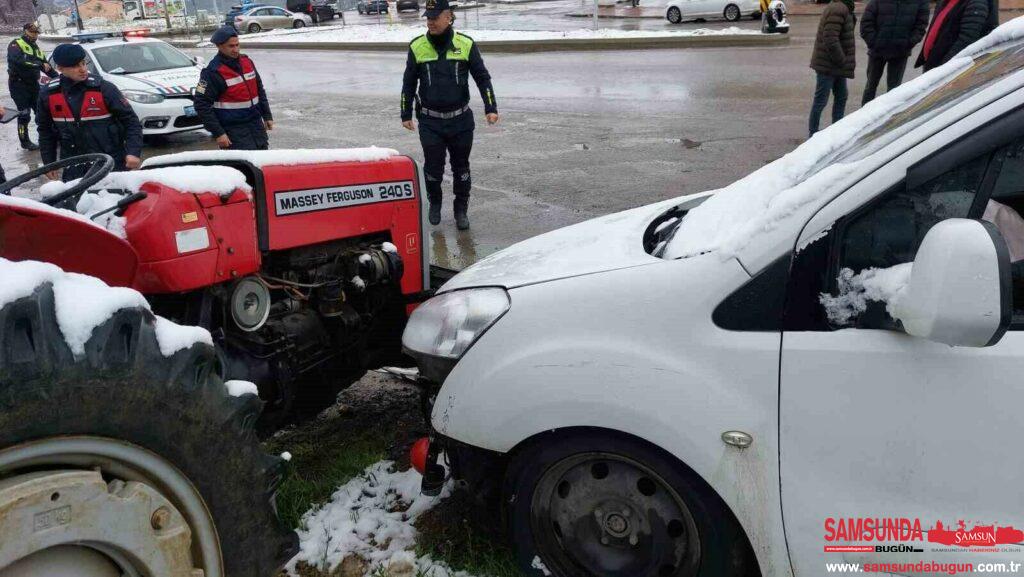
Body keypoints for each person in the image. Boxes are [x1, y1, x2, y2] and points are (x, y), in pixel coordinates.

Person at [400, 0, 499, 230]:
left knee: (461, 168)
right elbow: (408, 84)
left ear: (449, 17)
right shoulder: (417, 47)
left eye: (435, 16)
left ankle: (460, 209)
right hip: (430, 121)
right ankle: (435, 203)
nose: (431, 21)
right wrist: (405, 112)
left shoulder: (465, 44)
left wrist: (491, 107)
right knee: (433, 170)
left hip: (461, 121)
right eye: (428, 17)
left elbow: (482, 78)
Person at [36, 44, 143, 182]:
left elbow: (131, 121)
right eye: (75, 66)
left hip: (111, 163)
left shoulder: (104, 89)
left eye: (83, 63)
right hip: (74, 166)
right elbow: (45, 131)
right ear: (60, 69)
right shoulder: (48, 94)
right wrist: (49, 163)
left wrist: (133, 152)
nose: (82, 69)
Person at [193, 26, 274, 151]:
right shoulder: (212, 72)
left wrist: (267, 115)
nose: (236, 49)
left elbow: (259, 90)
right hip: (234, 132)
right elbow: (201, 104)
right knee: (243, 168)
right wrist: (219, 133)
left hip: (256, 126)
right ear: (219, 46)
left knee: (261, 165)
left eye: (237, 45)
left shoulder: (247, 62)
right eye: (231, 46)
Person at [859, 0, 930, 103]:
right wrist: (874, 42)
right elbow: (866, 22)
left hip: (900, 53)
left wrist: (909, 43)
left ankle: (889, 117)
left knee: (894, 91)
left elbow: (921, 25)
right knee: (870, 86)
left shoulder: (920, 2)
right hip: (877, 51)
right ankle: (864, 116)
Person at [808, 0, 856, 137]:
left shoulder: (843, 7)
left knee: (841, 96)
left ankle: (836, 131)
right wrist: (842, 60)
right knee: (821, 101)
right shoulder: (838, 9)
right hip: (829, 65)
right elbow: (830, 38)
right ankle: (812, 134)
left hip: (835, 65)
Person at [7, 22, 57, 150]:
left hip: (33, 84)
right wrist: (39, 65)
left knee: (42, 112)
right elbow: (17, 60)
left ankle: (47, 137)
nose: (35, 35)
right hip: (18, 85)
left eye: (36, 32)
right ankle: (25, 141)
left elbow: (47, 66)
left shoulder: (35, 48)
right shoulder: (15, 44)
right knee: (24, 114)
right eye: (32, 32)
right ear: (25, 31)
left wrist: (59, 78)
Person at [915, 0, 996, 71]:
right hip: (933, 64)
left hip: (946, 70)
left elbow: (965, 41)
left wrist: (943, 67)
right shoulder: (946, 1)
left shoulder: (976, 3)